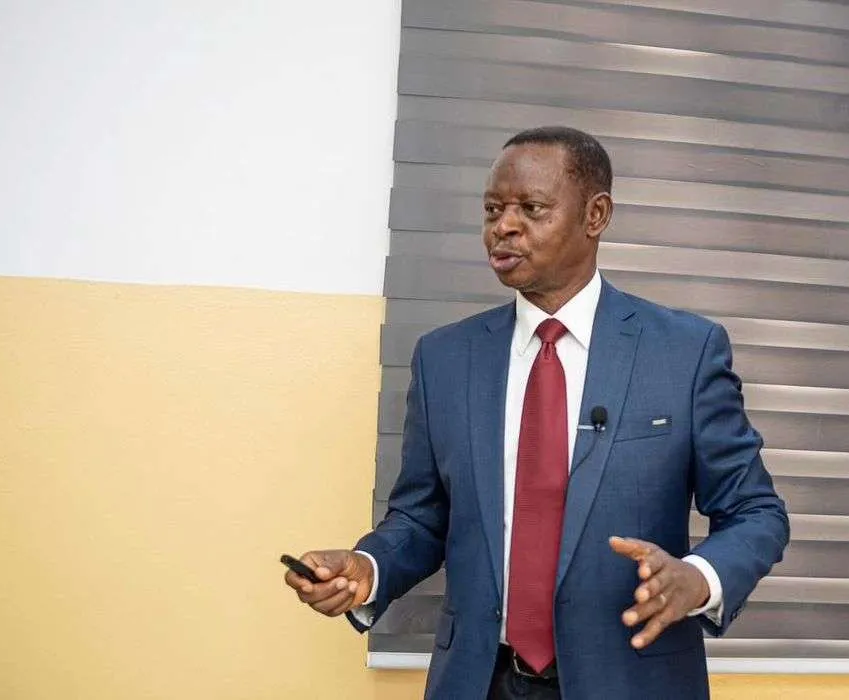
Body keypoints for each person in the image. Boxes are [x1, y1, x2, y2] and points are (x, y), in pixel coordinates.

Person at [284, 126, 789, 699]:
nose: (503, 225)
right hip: (480, 683)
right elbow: (422, 518)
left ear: (596, 215)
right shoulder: (445, 359)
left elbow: (755, 511)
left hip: (632, 681)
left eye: (531, 208)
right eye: (492, 209)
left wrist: (698, 577)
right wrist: (368, 568)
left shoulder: (683, 352)